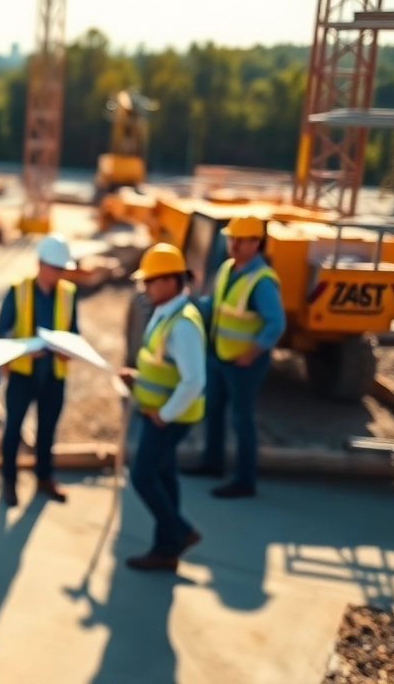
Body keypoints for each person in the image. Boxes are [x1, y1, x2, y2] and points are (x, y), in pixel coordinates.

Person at [184, 216, 285, 499]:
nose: (234, 245)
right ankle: (212, 463)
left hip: (244, 363)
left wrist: (252, 353)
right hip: (219, 355)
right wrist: (191, 303)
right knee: (213, 410)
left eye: (240, 240)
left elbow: (275, 323)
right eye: (231, 239)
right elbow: (213, 305)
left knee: (241, 420)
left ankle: (244, 480)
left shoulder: (261, 281)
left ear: (256, 243)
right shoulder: (228, 269)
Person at [119, 244, 206, 571]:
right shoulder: (165, 312)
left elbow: (194, 380)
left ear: (170, 281)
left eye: (150, 281)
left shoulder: (182, 323)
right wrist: (139, 378)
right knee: (164, 476)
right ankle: (166, 549)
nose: (145, 288)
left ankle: (179, 533)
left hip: (168, 418)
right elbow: (165, 366)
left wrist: (163, 414)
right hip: (162, 413)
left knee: (143, 477)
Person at [0, 234, 78, 506]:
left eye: (61, 269)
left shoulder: (68, 294)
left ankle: (44, 477)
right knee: (13, 430)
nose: (58, 274)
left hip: (53, 375)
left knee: (47, 430)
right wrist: (16, 353)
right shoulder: (18, 289)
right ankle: (9, 480)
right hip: (23, 374)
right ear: (40, 264)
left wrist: (70, 350)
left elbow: (74, 332)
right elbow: (2, 331)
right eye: (54, 268)